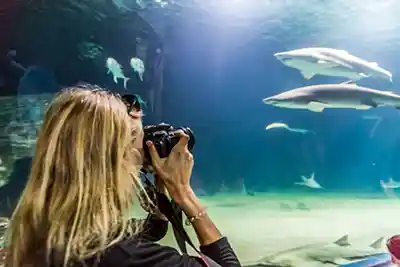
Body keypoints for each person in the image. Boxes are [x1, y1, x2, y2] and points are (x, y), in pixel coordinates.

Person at [5, 85, 242, 267]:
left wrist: (161, 199)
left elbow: (146, 232)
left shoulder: (43, 231)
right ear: (119, 158)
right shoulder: (126, 257)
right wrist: (184, 193)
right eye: (142, 144)